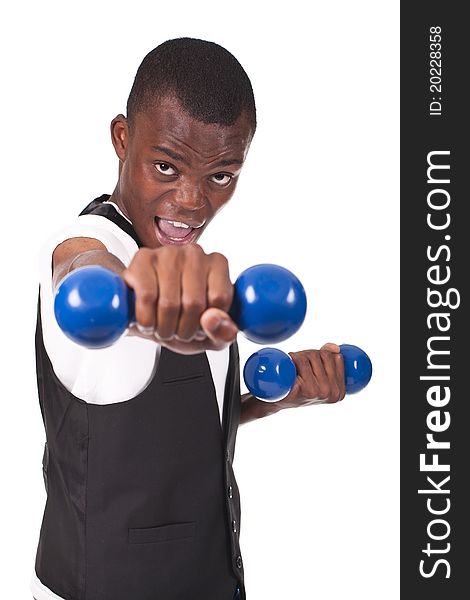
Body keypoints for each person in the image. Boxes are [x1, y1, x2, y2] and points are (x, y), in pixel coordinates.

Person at [31, 37, 346, 600]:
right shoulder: (88, 241)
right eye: (166, 166)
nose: (194, 201)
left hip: (214, 578)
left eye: (222, 175)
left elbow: (178, 428)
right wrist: (133, 296)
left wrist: (278, 398)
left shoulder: (196, 282)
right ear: (122, 139)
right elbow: (80, 269)